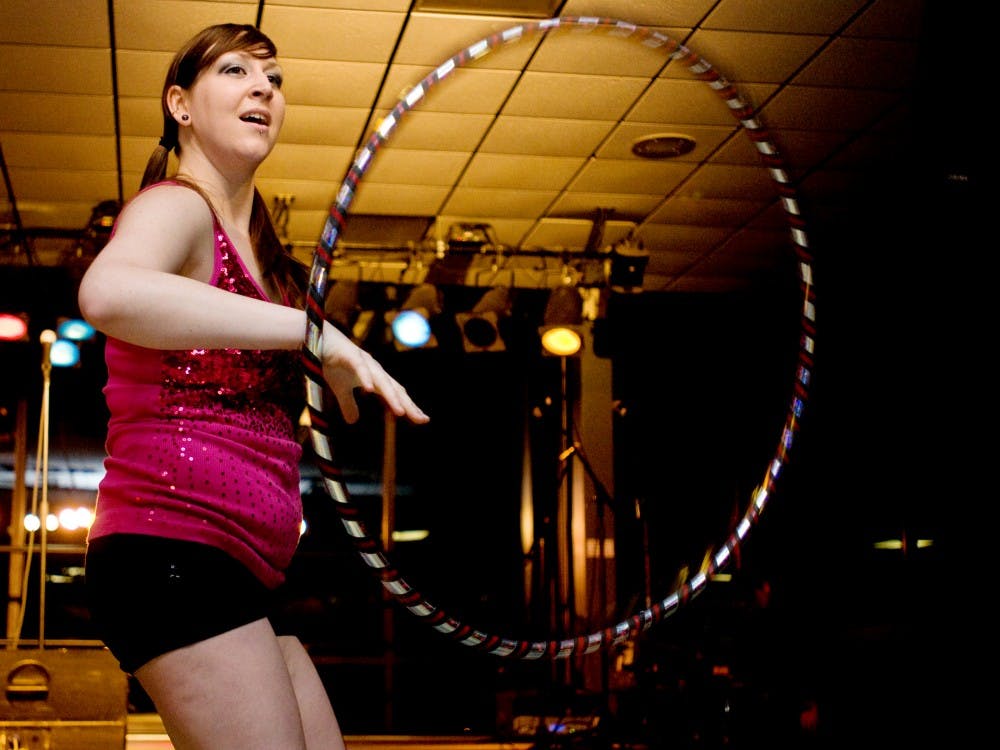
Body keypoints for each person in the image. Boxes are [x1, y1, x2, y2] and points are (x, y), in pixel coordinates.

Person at [77, 23, 429, 750]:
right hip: (172, 549)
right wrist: (312, 335)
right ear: (180, 103)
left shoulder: (270, 264)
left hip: (247, 568)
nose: (264, 87)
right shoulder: (176, 206)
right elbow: (107, 294)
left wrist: (322, 371)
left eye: (273, 78)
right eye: (236, 71)